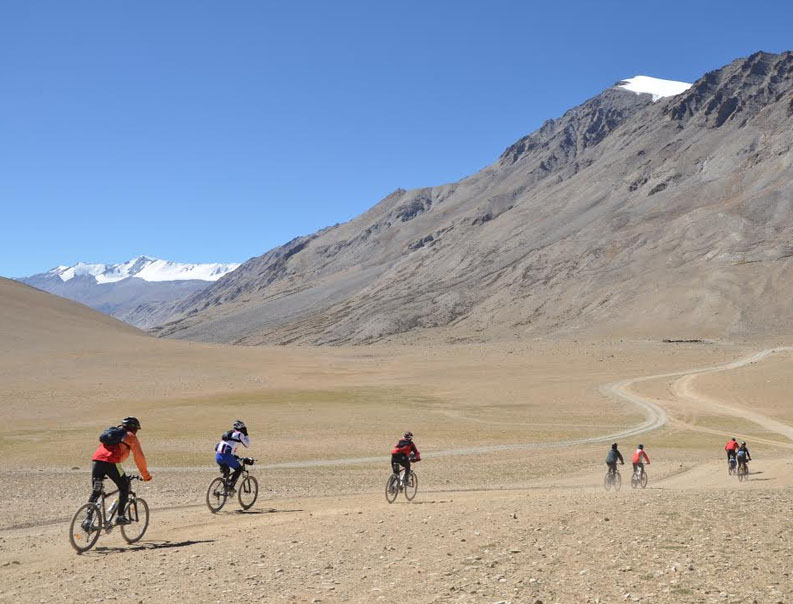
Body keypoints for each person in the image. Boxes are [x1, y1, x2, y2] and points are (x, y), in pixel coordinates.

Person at [90, 416, 152, 525]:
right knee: (124, 487)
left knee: (96, 491)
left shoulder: (113, 434)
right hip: (112, 462)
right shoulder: (130, 437)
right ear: (133, 428)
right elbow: (139, 457)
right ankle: (120, 516)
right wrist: (145, 475)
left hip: (96, 461)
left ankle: (88, 520)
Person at [215, 420, 251, 493]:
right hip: (227, 456)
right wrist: (246, 434)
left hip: (218, 455)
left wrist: (235, 457)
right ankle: (230, 487)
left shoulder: (227, 433)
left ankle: (225, 486)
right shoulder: (239, 434)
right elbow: (247, 445)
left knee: (227, 471)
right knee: (239, 469)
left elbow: (226, 446)